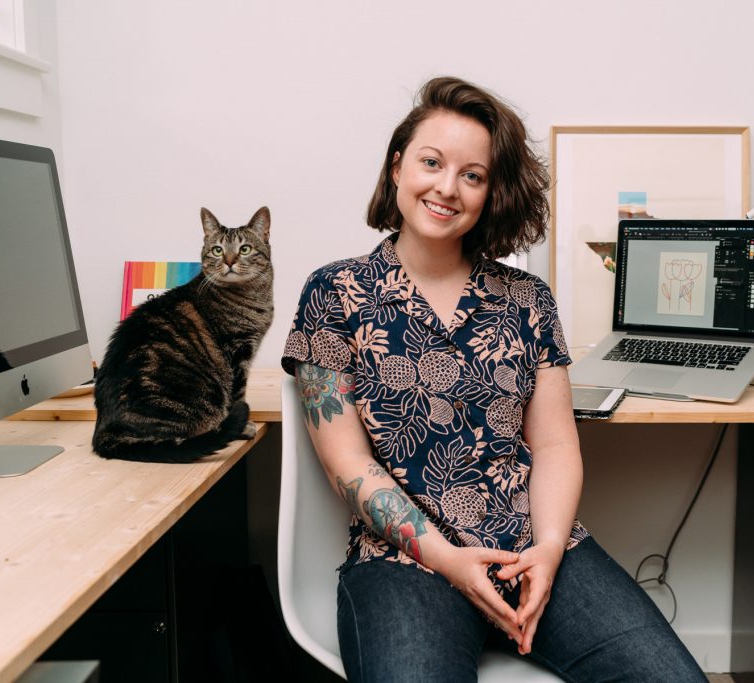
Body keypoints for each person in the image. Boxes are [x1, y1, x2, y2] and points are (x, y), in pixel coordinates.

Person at [281, 76, 706, 682]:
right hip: (409, 559)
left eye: (472, 175)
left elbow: (557, 444)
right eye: (431, 163)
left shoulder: (528, 299)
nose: (447, 188)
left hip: (529, 548)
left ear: (490, 193)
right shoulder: (334, 293)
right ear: (398, 167)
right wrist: (451, 562)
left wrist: (550, 550)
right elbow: (347, 463)